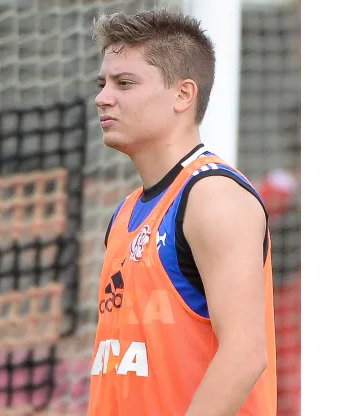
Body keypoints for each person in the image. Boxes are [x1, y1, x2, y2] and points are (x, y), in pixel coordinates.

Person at [87, 9, 277, 416]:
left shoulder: (212, 195)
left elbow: (245, 353)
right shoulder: (125, 213)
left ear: (183, 95)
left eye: (124, 83)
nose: (103, 96)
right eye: (102, 83)